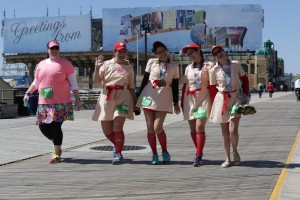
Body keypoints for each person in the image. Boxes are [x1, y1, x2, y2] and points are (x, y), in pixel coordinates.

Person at [23, 40, 81, 164]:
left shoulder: (65, 64)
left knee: (55, 126)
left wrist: (77, 99)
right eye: (52, 48)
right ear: (47, 50)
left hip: (61, 102)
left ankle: (56, 153)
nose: (54, 50)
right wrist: (28, 93)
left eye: (56, 48)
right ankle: (57, 143)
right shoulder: (41, 64)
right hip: (44, 101)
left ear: (59, 49)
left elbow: (73, 83)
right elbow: (36, 82)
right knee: (43, 126)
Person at [92, 42, 139, 165]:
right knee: (107, 131)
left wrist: (135, 104)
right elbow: (96, 81)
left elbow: (132, 87)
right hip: (107, 96)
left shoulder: (129, 67)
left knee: (117, 126)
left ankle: (118, 153)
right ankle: (116, 145)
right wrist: (97, 67)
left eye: (124, 51)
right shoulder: (106, 64)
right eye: (119, 51)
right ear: (115, 52)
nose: (122, 54)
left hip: (123, 96)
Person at [136, 41, 180, 165]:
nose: (162, 54)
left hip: (164, 97)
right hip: (148, 96)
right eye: (159, 52)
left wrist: (176, 103)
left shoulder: (174, 66)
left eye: (163, 51)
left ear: (166, 50)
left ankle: (165, 151)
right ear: (156, 54)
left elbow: (175, 86)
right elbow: (145, 80)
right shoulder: (151, 63)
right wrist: (138, 99)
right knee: (150, 128)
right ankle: (154, 154)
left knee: (157, 127)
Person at [209, 45, 251, 168]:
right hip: (221, 99)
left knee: (233, 129)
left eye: (220, 51)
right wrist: (212, 106)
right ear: (214, 57)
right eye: (215, 53)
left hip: (236, 98)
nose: (218, 54)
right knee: (224, 132)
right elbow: (212, 89)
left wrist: (244, 94)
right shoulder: (213, 70)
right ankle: (227, 158)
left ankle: (235, 151)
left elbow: (244, 79)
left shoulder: (235, 64)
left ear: (224, 51)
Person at [180, 43, 213, 167]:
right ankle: (199, 150)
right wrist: (181, 103)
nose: (190, 56)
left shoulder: (208, 66)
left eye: (191, 52)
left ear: (198, 51)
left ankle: (198, 156)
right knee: (193, 129)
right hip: (190, 99)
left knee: (199, 127)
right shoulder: (188, 68)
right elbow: (186, 85)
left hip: (204, 98)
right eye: (188, 54)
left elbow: (214, 83)